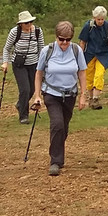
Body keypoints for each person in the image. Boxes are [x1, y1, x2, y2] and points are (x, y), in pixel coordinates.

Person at [30, 21, 89, 176]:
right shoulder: (47, 51)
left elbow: (82, 73)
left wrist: (83, 95)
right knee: (57, 124)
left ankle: (57, 152)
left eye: (67, 40)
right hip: (51, 93)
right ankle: (55, 161)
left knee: (64, 127)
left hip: (70, 95)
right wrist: (37, 95)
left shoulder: (76, 50)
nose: (64, 43)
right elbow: (39, 73)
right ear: (56, 37)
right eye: (61, 39)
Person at [0, 10, 44, 123]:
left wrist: (42, 65)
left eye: (30, 22)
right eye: (26, 23)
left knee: (33, 89)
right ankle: (23, 116)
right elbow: (7, 48)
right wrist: (5, 62)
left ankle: (20, 104)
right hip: (19, 64)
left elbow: (41, 49)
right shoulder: (15, 32)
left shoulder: (38, 31)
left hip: (34, 63)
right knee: (25, 89)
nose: (29, 25)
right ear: (20, 24)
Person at [79, 6, 108, 110]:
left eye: (102, 19)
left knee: (99, 75)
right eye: (98, 19)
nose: (100, 21)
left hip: (103, 54)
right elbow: (82, 42)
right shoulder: (88, 26)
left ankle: (96, 99)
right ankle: (91, 99)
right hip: (90, 54)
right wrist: (80, 57)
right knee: (89, 77)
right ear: (94, 17)